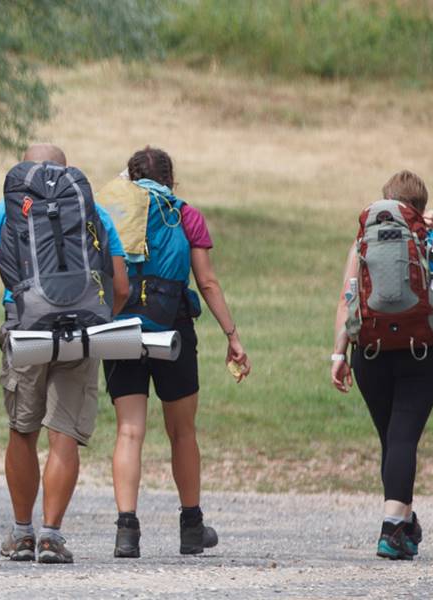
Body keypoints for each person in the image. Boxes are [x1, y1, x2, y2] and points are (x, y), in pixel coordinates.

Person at [0, 143, 128, 564]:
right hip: (81, 331)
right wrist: (100, 319)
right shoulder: (94, 210)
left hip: (25, 329)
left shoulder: (4, 209)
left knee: (22, 429)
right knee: (63, 432)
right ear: (67, 172)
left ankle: (21, 535)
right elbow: (121, 285)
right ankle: (51, 536)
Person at [101, 147, 251, 558]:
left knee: (129, 431)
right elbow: (207, 283)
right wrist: (232, 335)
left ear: (129, 178)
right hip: (173, 329)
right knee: (182, 431)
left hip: (119, 327)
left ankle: (127, 532)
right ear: (172, 180)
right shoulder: (186, 214)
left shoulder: (112, 212)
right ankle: (191, 526)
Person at [329, 171, 433, 560]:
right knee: (402, 438)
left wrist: (338, 354)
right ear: (419, 206)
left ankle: (405, 522)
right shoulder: (431, 238)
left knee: (393, 439)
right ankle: (392, 528)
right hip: (423, 354)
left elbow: (347, 299)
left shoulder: (363, 241)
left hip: (369, 354)